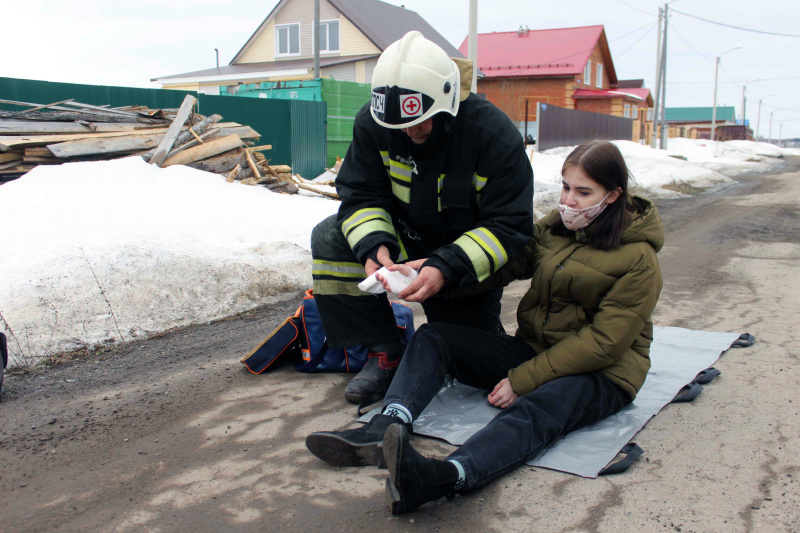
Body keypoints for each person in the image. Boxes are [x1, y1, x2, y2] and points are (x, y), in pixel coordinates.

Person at [306, 140, 664, 514]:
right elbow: (508, 263)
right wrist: (437, 269)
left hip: (604, 374)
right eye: (565, 187)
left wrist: (523, 380)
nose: (569, 201)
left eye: (583, 192)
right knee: (434, 336)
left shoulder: (639, 259)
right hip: (536, 349)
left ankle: (443, 476)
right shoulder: (557, 228)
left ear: (613, 194)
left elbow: (605, 343)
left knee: (542, 404)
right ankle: (386, 426)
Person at [311, 31, 534, 405]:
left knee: (469, 365)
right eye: (397, 127)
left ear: (446, 102)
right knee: (332, 236)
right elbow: (362, 194)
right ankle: (384, 351)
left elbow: (508, 227)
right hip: (407, 239)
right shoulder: (373, 123)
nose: (409, 133)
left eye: (420, 123)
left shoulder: (492, 136)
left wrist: (445, 267)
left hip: (465, 256)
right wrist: (374, 248)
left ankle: (475, 327)